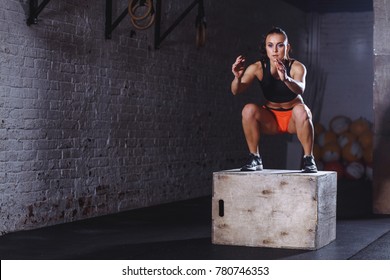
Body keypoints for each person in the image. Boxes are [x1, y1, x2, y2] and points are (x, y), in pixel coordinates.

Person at [231, 27, 317, 173]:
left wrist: (286, 79)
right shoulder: (257, 67)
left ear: (287, 47)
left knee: (302, 109)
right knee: (248, 110)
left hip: (294, 120)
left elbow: (301, 88)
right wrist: (237, 77)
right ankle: (255, 158)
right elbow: (236, 91)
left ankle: (309, 159)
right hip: (271, 120)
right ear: (266, 48)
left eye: (280, 45)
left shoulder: (297, 67)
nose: (275, 50)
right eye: (270, 45)